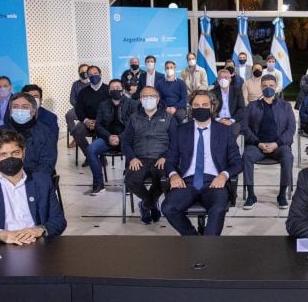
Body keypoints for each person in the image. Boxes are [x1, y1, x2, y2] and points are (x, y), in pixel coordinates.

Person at [0, 129, 66, 244]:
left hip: (36, 245)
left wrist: (40, 229)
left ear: (24, 153)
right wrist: (0, 234)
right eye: (3, 155)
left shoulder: (41, 181)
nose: (10, 159)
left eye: (15, 153)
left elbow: (59, 220)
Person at [162, 90, 242, 236]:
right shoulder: (181, 131)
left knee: (218, 208)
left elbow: (237, 162)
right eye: (196, 105)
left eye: (205, 105)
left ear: (212, 107)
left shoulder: (225, 131)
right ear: (191, 108)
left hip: (214, 181)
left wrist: (224, 176)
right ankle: (193, 238)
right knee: (168, 208)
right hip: (187, 182)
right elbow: (170, 159)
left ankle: (208, 248)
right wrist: (173, 175)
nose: (200, 108)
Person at [121, 86, 177, 224]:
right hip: (139, 159)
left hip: (161, 158)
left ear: (157, 99)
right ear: (140, 100)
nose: (148, 99)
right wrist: (132, 158)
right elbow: (125, 142)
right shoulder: (133, 118)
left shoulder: (169, 118)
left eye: (151, 96)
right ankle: (152, 204)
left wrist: (166, 157)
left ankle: (145, 205)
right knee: (131, 180)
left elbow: (176, 143)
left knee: (163, 179)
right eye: (145, 97)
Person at [241, 74, 295, 210]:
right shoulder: (252, 106)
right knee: (246, 156)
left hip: (278, 146)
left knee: (288, 156)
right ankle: (251, 195)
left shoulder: (285, 106)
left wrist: (277, 143)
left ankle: (282, 194)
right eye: (265, 86)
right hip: (257, 145)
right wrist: (258, 142)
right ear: (261, 87)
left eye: (271, 85)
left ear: (276, 87)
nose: (268, 88)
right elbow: (244, 127)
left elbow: (291, 128)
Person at [85, 79, 138, 195]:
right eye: (113, 88)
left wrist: (120, 137)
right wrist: (109, 137)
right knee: (91, 149)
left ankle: (129, 182)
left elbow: (134, 126)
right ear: (109, 91)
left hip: (125, 139)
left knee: (133, 147)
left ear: (123, 90)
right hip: (107, 138)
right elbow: (98, 125)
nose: (115, 90)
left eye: (118, 88)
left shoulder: (133, 104)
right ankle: (99, 184)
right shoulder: (103, 105)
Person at [0, 93, 57, 176]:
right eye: (15, 106)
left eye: (25, 107)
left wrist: (25, 182)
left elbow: (47, 164)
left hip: (34, 180)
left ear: (33, 111)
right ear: (10, 110)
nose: (19, 110)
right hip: (2, 179)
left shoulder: (46, 133)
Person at [73, 65, 109, 164]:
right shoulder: (83, 92)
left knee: (104, 131)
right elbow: (79, 110)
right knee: (76, 131)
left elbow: (112, 109)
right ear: (88, 77)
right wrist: (86, 121)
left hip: (104, 122)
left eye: (95, 74)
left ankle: (100, 155)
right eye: (90, 75)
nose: (93, 76)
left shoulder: (108, 90)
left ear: (100, 75)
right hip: (88, 121)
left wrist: (99, 122)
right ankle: (90, 156)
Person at [211, 68, 245, 136]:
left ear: (230, 79)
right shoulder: (212, 92)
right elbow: (210, 110)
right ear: (218, 80)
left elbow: (241, 109)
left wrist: (231, 120)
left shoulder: (237, 91)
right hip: (218, 120)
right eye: (221, 78)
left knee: (233, 133)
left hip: (233, 120)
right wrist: (218, 119)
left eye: (226, 77)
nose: (224, 80)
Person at [66, 64, 89, 147]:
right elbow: (72, 99)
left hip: (90, 110)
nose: (84, 73)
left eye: (86, 71)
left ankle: (78, 138)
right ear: (79, 72)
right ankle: (76, 137)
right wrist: (79, 107)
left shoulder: (92, 83)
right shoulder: (75, 84)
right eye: (82, 71)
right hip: (78, 108)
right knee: (69, 115)